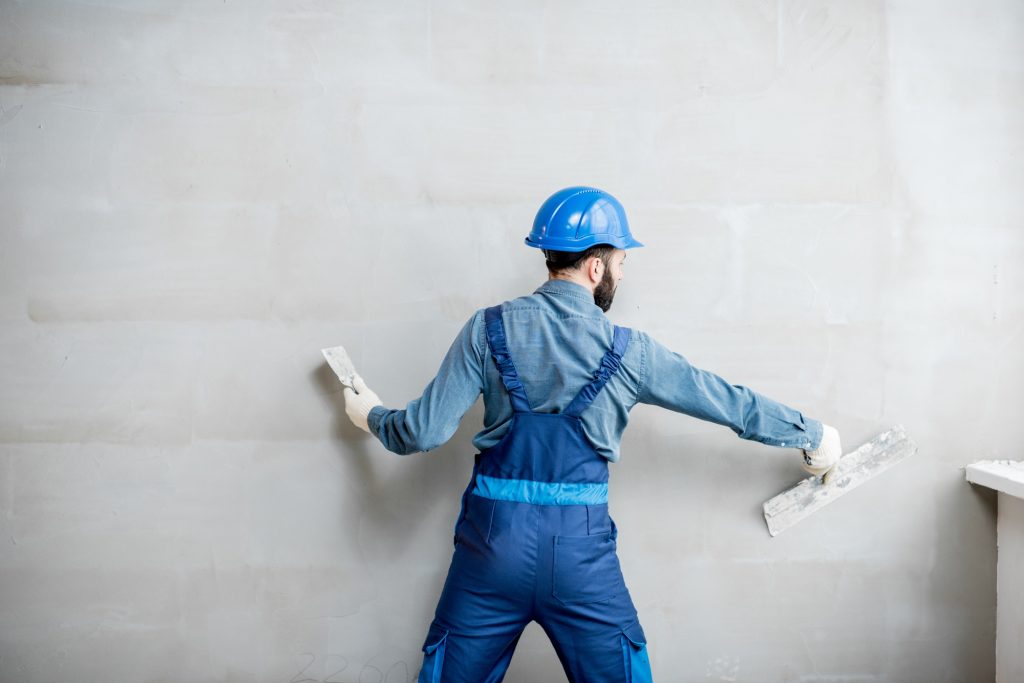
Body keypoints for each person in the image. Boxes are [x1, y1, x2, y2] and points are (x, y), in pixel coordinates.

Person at [341, 186, 842, 682]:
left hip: (490, 552)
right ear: (596, 267)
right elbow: (725, 401)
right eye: (622, 262)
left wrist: (372, 416)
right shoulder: (630, 352)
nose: (622, 274)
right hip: (581, 560)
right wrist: (810, 434)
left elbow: (422, 432)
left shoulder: (486, 328)